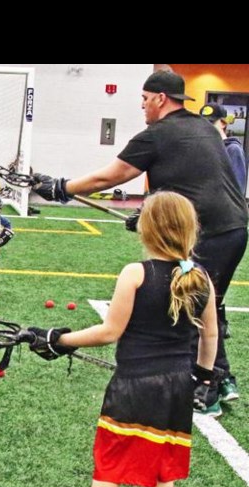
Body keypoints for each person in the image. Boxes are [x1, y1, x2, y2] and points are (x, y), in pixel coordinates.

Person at [32, 70, 247, 415]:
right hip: (234, 229)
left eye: (145, 101)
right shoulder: (204, 128)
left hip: (207, 231)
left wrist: (63, 187)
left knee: (193, 304)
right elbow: (192, 180)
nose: (143, 108)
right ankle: (222, 380)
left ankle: (208, 388)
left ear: (161, 99)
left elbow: (112, 176)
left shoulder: (157, 134)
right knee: (210, 302)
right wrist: (152, 216)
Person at [33, 192, 217, 487]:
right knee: (164, 469)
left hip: (133, 385)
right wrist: (202, 375)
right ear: (189, 230)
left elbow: (109, 331)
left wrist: (58, 339)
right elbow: (211, 336)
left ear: (147, 229)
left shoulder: (136, 273)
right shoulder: (201, 279)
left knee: (109, 467)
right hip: (177, 388)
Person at [200, 103, 247, 194]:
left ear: (223, 123)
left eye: (211, 122)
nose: (207, 127)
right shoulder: (204, 148)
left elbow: (237, 189)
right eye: (203, 123)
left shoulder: (233, 150)